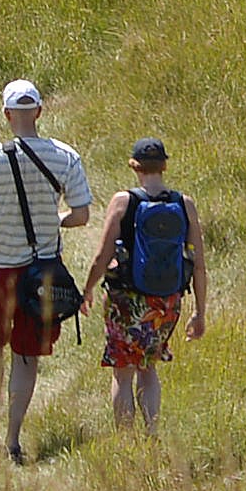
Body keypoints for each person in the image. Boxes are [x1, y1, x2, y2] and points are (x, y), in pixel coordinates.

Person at [0, 76, 90, 461]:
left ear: (7, 114)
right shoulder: (65, 156)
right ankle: (14, 439)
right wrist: (54, 220)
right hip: (41, 271)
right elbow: (81, 216)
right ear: (40, 113)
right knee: (26, 355)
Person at [89, 136, 206, 435]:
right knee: (149, 368)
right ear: (164, 165)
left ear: (135, 166)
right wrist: (200, 312)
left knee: (123, 372)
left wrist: (88, 288)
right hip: (166, 302)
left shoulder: (124, 201)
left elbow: (103, 255)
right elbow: (199, 263)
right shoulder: (184, 204)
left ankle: (127, 441)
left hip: (127, 300)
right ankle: (152, 433)